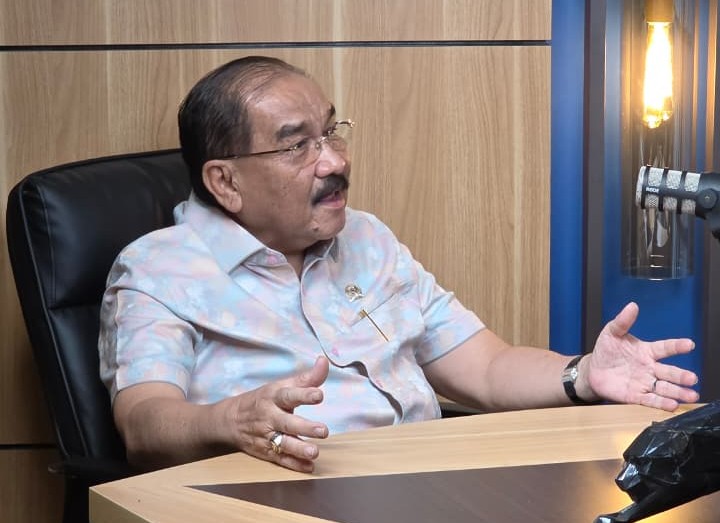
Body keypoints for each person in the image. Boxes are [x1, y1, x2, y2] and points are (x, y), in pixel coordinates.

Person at [98, 55, 699, 474]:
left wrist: (584, 374)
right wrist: (229, 420)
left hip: (423, 485)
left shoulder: (366, 237)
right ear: (225, 181)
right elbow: (144, 424)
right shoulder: (158, 269)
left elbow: (487, 368)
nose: (335, 161)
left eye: (331, 132)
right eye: (298, 145)